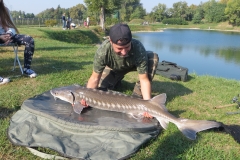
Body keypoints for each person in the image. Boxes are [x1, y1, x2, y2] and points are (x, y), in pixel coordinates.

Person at [83, 23, 159, 104]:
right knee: (101, 90)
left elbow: (144, 80)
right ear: (111, 41)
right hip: (114, 68)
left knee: (153, 57)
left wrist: (147, 103)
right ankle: (116, 81)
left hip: (133, 65)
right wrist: (87, 98)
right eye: (119, 48)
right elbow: (94, 78)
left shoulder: (138, 48)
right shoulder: (103, 51)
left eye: (127, 47)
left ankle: (138, 94)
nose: (124, 52)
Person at [0, 0, 37, 85]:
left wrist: (9, 34)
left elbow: (10, 26)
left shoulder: (5, 10)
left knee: (29, 39)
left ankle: (26, 69)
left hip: (7, 36)